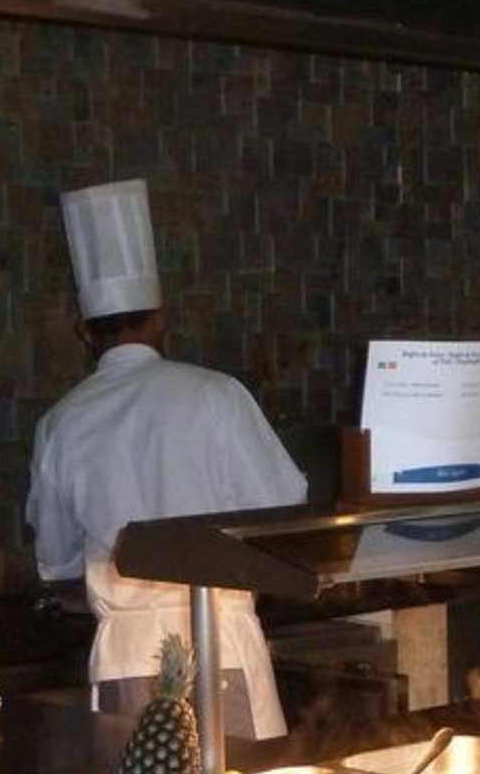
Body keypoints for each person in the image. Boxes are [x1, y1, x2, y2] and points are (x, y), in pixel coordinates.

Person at [26, 179, 308, 738]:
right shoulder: (215, 394)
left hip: (125, 656)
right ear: (161, 317)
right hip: (220, 637)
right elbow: (286, 504)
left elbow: (55, 560)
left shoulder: (61, 421)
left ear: (84, 332)